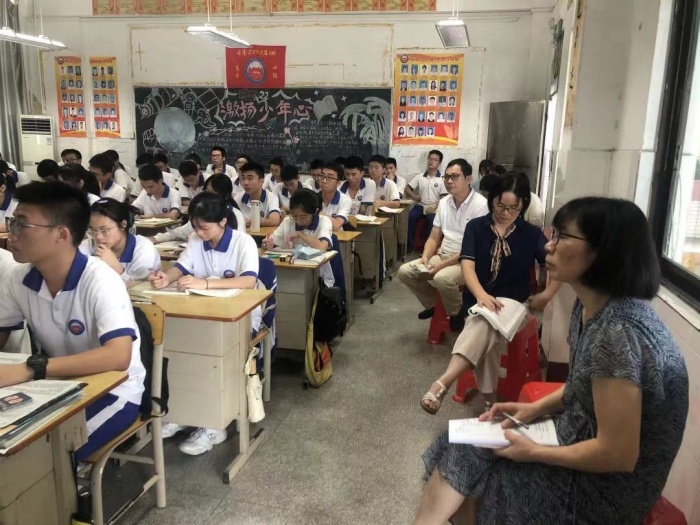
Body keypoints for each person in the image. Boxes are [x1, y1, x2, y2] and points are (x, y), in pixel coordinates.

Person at [415, 197, 688, 525]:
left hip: (606, 489)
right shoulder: (591, 306)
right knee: (460, 441)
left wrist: (533, 452)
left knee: (480, 477)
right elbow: (583, 384)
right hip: (578, 438)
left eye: (562, 237)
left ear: (604, 251)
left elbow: (618, 454)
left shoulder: (618, 332)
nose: (549, 246)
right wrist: (532, 409)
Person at [0, 182, 146, 462]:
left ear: (61, 234)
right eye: (12, 222)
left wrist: (32, 368)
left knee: (43, 459)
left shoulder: (100, 279)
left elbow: (118, 356)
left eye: (21, 225)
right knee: (17, 452)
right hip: (59, 385)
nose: (11, 234)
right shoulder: (19, 278)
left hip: (114, 392)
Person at [420, 173, 559, 414]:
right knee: (485, 323)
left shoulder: (530, 233)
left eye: (514, 208)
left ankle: (443, 382)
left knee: (484, 321)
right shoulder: (476, 227)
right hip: (478, 300)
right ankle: (489, 400)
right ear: (492, 199)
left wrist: (547, 294)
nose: (506, 213)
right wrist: (481, 295)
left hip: (515, 303)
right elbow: (467, 266)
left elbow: (557, 266)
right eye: (500, 205)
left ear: (523, 204)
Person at [150, 192, 259, 455]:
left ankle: (214, 425)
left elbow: (248, 281)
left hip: (240, 316)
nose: (199, 232)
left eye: (204, 227)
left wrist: (206, 283)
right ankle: (183, 412)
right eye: (195, 226)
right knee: (178, 352)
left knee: (212, 357)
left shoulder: (242, 242)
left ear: (223, 221)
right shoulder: (196, 240)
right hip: (201, 311)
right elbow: (182, 267)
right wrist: (167, 278)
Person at [398, 159, 488, 331]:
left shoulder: (481, 205)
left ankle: (456, 313)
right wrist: (425, 258)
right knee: (405, 272)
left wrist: (440, 266)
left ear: (468, 179)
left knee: (442, 278)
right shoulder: (445, 202)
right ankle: (434, 304)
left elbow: (471, 249)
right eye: (446, 177)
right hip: (443, 255)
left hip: (468, 261)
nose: (449, 181)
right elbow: (434, 237)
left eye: (455, 176)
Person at [263, 188, 335, 287]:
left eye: (303, 217)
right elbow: (271, 241)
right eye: (294, 215)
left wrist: (300, 234)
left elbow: (322, 247)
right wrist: (267, 243)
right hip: (290, 273)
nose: (297, 220)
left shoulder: (324, 222)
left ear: (315, 212)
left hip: (318, 277)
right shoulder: (288, 221)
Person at [151, 173, 245, 244]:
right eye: (206, 190)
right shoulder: (202, 211)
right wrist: (157, 238)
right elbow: (183, 231)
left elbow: (238, 242)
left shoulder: (236, 215)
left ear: (226, 195)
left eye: (212, 192)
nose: (207, 195)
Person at [86, 198, 161, 282]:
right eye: (93, 230)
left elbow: (140, 287)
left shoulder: (142, 249)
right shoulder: (88, 245)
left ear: (123, 225)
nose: (98, 237)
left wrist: (117, 268)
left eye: (104, 230)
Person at [405, 150, 447, 252]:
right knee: (410, 216)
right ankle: (410, 248)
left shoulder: (442, 179)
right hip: (421, 205)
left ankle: (427, 249)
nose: (431, 161)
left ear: (439, 163)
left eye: (435, 160)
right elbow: (407, 189)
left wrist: (435, 208)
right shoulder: (420, 176)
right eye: (430, 159)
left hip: (435, 207)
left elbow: (444, 198)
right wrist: (414, 196)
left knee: (431, 220)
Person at [234, 162, 282, 227]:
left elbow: (274, 221)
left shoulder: (272, 197)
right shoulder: (237, 198)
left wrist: (250, 222)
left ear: (261, 181)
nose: (245, 183)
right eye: (243, 178)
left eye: (250, 179)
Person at [319, 162, 352, 231]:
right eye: (322, 176)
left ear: (338, 183)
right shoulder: (312, 198)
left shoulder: (345, 200)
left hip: (336, 236)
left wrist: (316, 212)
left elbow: (336, 226)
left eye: (330, 177)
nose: (324, 181)